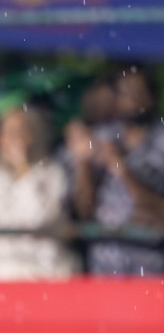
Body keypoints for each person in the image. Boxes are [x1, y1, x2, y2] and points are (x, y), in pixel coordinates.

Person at [66, 67, 164, 276]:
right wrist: (82, 163)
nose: (132, 99)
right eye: (125, 92)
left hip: (150, 266)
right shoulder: (102, 136)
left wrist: (121, 169)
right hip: (105, 265)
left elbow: (158, 212)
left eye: (138, 91)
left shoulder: (160, 141)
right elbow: (84, 211)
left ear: (152, 96)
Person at [0, 105, 76, 281]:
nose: (11, 139)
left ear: (31, 136)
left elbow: (37, 218)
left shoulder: (51, 174)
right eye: (5, 133)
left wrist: (23, 168)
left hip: (41, 276)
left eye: (17, 132)